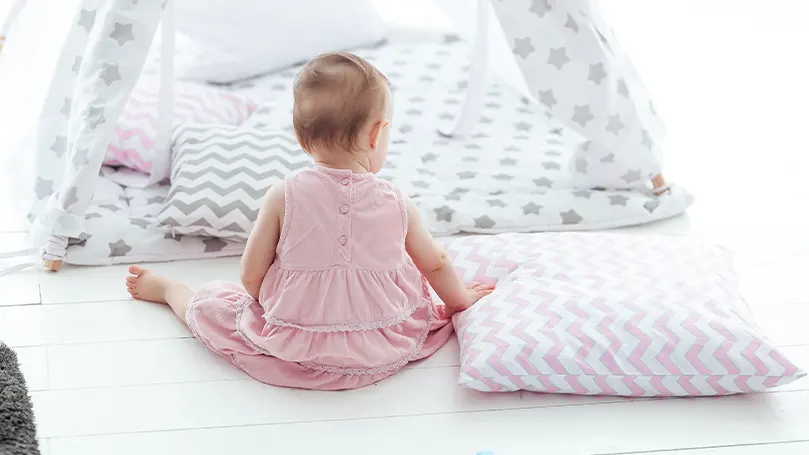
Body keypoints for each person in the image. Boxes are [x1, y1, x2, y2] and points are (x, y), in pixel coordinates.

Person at [125, 52, 494, 391]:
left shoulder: (282, 196)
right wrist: (461, 300)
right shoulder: (398, 202)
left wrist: (272, 309)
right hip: (379, 341)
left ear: (302, 139)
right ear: (377, 134)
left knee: (210, 305)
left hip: (292, 339)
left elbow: (250, 273)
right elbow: (436, 263)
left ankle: (170, 291)